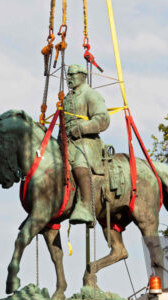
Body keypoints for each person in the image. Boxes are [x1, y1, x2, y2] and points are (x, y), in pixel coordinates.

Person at [63, 64, 110, 225]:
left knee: (79, 162)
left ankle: (86, 206)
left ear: (83, 76)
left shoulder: (91, 95)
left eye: (72, 75)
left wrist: (81, 128)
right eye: (67, 75)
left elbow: (103, 119)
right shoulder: (67, 99)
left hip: (87, 142)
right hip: (67, 142)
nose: (68, 78)